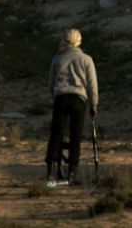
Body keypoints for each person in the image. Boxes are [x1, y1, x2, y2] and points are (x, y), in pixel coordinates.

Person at [45, 29, 98, 184]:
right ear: (79, 42)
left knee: (56, 133)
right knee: (76, 135)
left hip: (61, 98)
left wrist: (55, 95)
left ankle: (51, 167)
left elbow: (51, 83)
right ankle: (72, 171)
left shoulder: (57, 59)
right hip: (78, 100)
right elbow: (92, 85)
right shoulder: (86, 59)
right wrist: (94, 104)